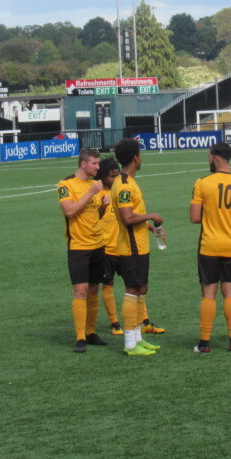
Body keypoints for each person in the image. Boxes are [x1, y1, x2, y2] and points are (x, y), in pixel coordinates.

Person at [190, 142, 231, 353]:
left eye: (209, 156)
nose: (208, 159)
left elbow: (194, 217)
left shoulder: (202, 183)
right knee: (230, 293)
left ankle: (204, 343)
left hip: (209, 245)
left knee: (209, 293)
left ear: (216, 157)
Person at [110, 137, 164, 357]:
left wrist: (151, 228)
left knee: (141, 289)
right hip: (130, 248)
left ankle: (138, 338)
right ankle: (130, 343)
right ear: (135, 158)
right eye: (140, 154)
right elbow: (127, 218)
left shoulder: (129, 181)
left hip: (139, 246)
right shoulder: (123, 185)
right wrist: (151, 215)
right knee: (132, 291)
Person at [58, 148, 111, 353]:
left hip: (98, 244)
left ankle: (90, 332)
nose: (98, 167)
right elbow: (70, 211)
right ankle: (80, 337)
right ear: (83, 164)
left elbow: (93, 214)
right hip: (78, 246)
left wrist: (103, 207)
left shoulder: (93, 185)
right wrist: (91, 194)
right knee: (80, 290)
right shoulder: (66, 184)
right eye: (95, 164)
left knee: (93, 289)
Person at [95, 157, 124, 336]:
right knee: (108, 284)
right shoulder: (96, 194)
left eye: (117, 175)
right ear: (103, 176)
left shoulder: (120, 192)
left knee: (137, 285)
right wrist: (103, 208)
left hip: (124, 246)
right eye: (112, 176)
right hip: (106, 248)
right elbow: (90, 220)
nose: (115, 179)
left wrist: (151, 227)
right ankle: (114, 323)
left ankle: (143, 321)